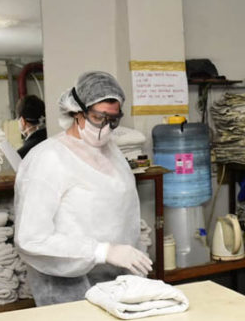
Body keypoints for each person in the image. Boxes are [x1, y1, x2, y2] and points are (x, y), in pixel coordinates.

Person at [14, 71, 152, 306]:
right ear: (76, 112)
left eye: (113, 119)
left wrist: (132, 254)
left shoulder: (112, 153)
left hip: (115, 281)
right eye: (99, 118)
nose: (106, 127)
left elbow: (121, 213)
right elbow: (31, 238)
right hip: (66, 286)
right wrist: (103, 251)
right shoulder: (48, 159)